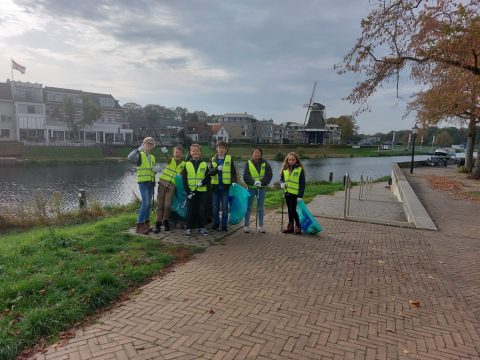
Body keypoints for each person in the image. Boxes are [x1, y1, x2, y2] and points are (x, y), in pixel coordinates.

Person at [127, 137, 156, 234]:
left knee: (148, 205)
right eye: (147, 143)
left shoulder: (152, 157)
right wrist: (138, 149)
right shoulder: (139, 155)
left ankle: (146, 224)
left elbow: (151, 169)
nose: (149, 145)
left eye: (151, 144)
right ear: (143, 144)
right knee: (146, 203)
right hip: (143, 183)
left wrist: (154, 172)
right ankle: (139, 225)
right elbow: (129, 157)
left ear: (153, 146)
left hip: (151, 183)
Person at [182, 143, 212, 237]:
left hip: (202, 191)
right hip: (191, 192)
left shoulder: (204, 164)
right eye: (193, 151)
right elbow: (184, 180)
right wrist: (188, 192)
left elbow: (208, 178)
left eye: (197, 151)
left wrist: (202, 183)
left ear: (200, 153)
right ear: (190, 153)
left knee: (201, 210)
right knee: (191, 210)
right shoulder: (186, 164)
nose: (195, 152)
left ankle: (202, 228)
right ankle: (188, 228)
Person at [154, 146, 185, 233]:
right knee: (160, 205)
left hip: (172, 186)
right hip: (163, 183)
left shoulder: (184, 164)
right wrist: (165, 152)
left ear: (182, 154)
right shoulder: (170, 160)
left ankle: (166, 221)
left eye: (179, 152)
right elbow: (167, 157)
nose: (178, 154)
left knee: (167, 206)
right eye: (176, 152)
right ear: (173, 153)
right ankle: (158, 224)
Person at [209, 141, 237, 232]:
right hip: (215, 187)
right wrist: (217, 169)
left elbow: (233, 172)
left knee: (225, 207)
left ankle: (224, 225)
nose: (221, 149)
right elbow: (210, 173)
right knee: (215, 207)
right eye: (219, 148)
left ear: (226, 150)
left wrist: (233, 181)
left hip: (225, 187)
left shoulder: (229, 159)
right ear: (216, 148)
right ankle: (216, 223)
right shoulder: (212, 159)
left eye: (223, 148)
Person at [243, 147, 273, 233]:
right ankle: (247, 225)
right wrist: (253, 182)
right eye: (255, 153)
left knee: (260, 207)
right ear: (252, 154)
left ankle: (261, 226)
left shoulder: (266, 164)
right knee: (248, 207)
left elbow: (269, 175)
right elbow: (245, 175)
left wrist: (262, 182)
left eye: (258, 153)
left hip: (261, 188)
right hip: (251, 188)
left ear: (261, 154)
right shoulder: (248, 163)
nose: (257, 154)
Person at [280, 152, 305, 234]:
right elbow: (282, 178)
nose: (291, 161)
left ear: (296, 160)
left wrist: (300, 195)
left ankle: (298, 226)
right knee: (290, 211)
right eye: (289, 159)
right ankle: (290, 227)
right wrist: (282, 183)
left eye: (293, 159)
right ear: (287, 160)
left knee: (292, 210)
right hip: (287, 193)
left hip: (295, 194)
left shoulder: (299, 169)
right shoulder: (285, 169)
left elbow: (302, 183)